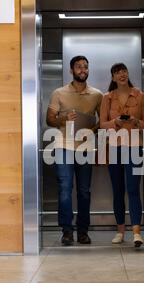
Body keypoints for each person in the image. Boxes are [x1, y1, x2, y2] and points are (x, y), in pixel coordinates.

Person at [46, 55, 103, 246]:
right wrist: (63, 120)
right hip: (63, 146)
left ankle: (83, 231)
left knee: (84, 191)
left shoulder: (97, 95)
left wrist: (91, 131)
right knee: (64, 189)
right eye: (79, 67)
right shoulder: (59, 93)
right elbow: (49, 119)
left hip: (84, 147)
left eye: (85, 67)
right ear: (71, 70)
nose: (83, 70)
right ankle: (66, 231)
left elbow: (102, 121)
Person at [100, 63, 144, 247]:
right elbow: (102, 124)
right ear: (113, 77)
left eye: (124, 71)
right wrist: (116, 122)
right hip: (114, 147)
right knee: (118, 190)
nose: (122, 74)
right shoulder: (107, 98)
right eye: (117, 72)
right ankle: (120, 231)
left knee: (133, 188)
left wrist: (137, 122)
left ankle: (136, 232)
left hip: (135, 146)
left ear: (128, 74)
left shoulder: (140, 95)